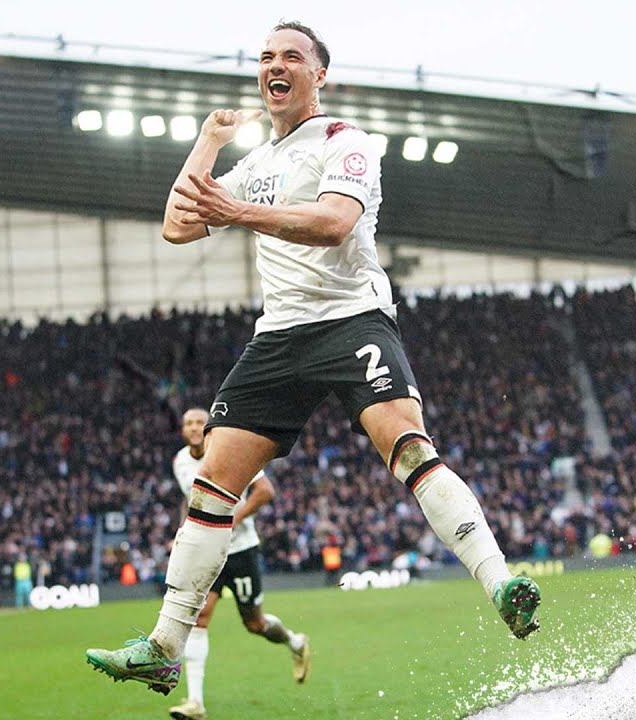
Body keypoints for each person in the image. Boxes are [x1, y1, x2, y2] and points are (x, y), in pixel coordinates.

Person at [87, 21, 540, 696]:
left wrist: (236, 211)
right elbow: (178, 223)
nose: (276, 64)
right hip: (280, 338)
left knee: (409, 450)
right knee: (212, 483)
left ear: (317, 75)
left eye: (291, 56)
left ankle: (501, 583)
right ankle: (163, 646)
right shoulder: (254, 166)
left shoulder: (344, 142)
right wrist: (209, 143)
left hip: (350, 319)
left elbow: (333, 223)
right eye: (267, 56)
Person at [166, 408, 309, 720]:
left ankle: (296, 642)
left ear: (209, 429)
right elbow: (192, 499)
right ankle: (195, 703)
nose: (193, 427)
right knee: (200, 618)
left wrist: (230, 520)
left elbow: (265, 491)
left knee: (255, 624)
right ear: (182, 430)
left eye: (199, 423)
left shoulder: (228, 450)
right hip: (207, 550)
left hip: (241, 550)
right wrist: (184, 530)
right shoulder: (179, 461)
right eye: (188, 423)